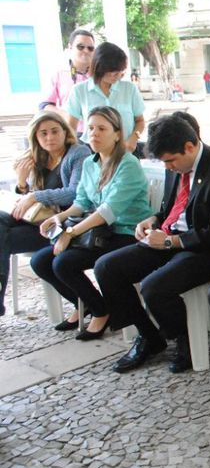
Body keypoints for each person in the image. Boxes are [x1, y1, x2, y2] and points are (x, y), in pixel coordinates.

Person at [94, 115, 210, 373]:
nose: (169, 167)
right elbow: (170, 208)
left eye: (171, 161)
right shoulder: (174, 165)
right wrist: (150, 220)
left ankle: (183, 338)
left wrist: (172, 241)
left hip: (203, 249)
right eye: (165, 162)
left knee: (154, 287)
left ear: (189, 146)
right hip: (168, 238)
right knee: (107, 267)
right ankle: (149, 336)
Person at [31, 106, 151, 337]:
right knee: (40, 261)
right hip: (100, 232)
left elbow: (108, 211)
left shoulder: (128, 164)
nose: (94, 133)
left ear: (117, 134)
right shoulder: (90, 163)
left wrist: (71, 233)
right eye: (91, 128)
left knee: (63, 263)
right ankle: (89, 305)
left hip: (126, 232)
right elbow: (82, 202)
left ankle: (100, 310)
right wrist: (60, 217)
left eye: (102, 128)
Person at [0, 112, 91, 317]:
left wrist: (35, 196)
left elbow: (75, 192)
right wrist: (22, 183)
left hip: (63, 224)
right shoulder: (37, 156)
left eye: (54, 131)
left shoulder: (78, 153)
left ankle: (88, 303)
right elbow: (29, 204)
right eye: (43, 133)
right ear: (36, 137)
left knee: (2, 239)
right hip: (35, 221)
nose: (50, 137)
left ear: (65, 132)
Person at [66, 42, 145, 153]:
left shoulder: (129, 89)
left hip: (126, 149)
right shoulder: (79, 91)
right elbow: (70, 127)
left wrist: (134, 139)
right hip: (93, 152)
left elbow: (140, 121)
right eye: (109, 73)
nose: (114, 77)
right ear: (98, 68)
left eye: (117, 73)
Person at [40, 29, 95, 135]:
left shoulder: (100, 75)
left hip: (97, 134)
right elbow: (44, 105)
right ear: (70, 47)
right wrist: (66, 114)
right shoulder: (59, 73)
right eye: (80, 47)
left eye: (90, 48)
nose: (86, 51)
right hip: (70, 133)